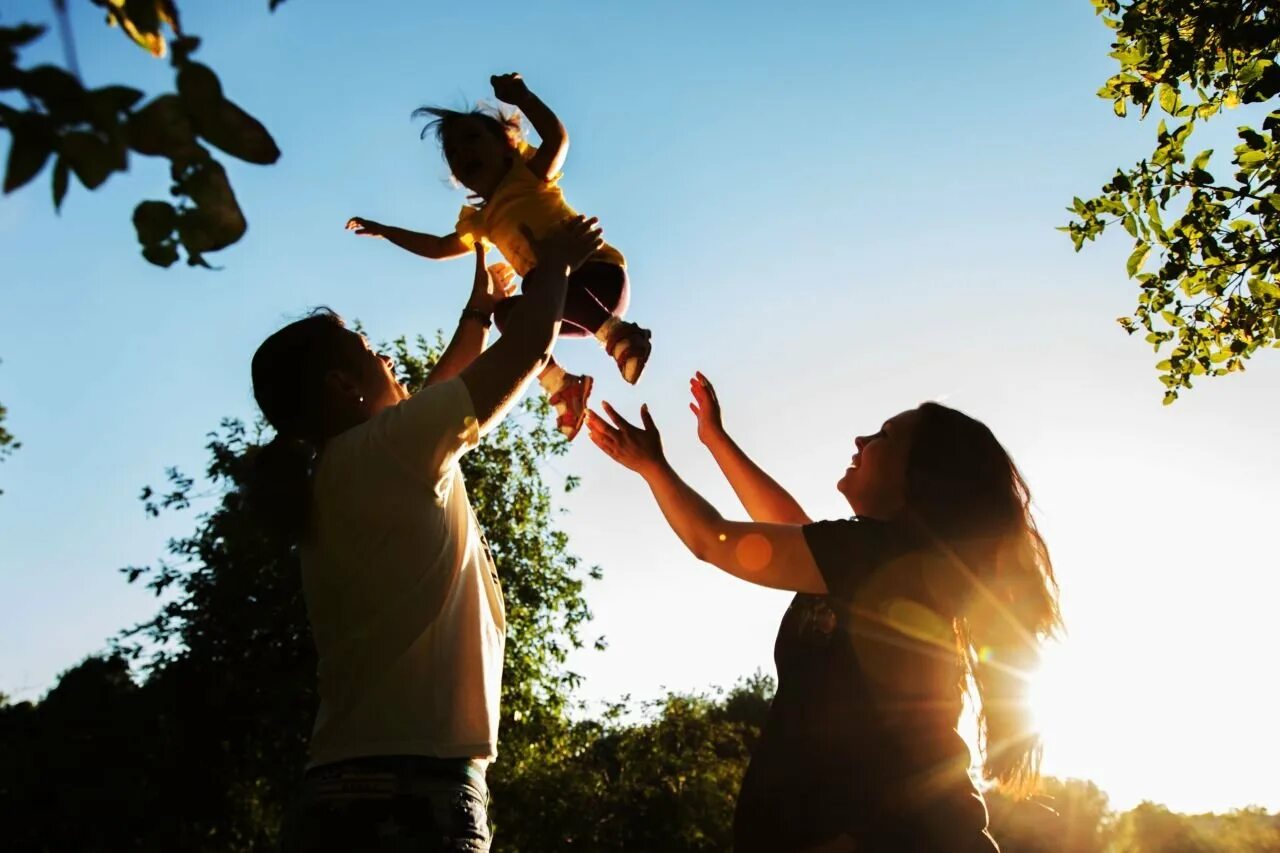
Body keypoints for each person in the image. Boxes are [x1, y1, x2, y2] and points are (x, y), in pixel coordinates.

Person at [586, 373, 1062, 852]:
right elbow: (790, 527)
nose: (861, 439)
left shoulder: (877, 557)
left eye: (884, 436)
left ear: (916, 479)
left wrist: (651, 467)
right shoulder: (877, 565)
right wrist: (714, 439)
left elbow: (713, 539)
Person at [249, 217, 604, 852]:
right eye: (369, 349)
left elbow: (441, 383)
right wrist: (554, 267)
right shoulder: (394, 448)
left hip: (334, 787)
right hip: (414, 791)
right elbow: (522, 355)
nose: (386, 355)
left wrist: (480, 303)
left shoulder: (338, 469)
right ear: (342, 387)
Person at [346, 72, 653, 439]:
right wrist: (386, 231)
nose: (464, 154)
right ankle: (562, 384)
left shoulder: (528, 175)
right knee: (507, 312)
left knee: (538, 278)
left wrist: (523, 97)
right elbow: (439, 247)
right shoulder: (482, 220)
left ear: (507, 143)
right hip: (564, 303)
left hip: (600, 277)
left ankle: (619, 336)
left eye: (472, 140)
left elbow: (557, 139)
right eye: (454, 153)